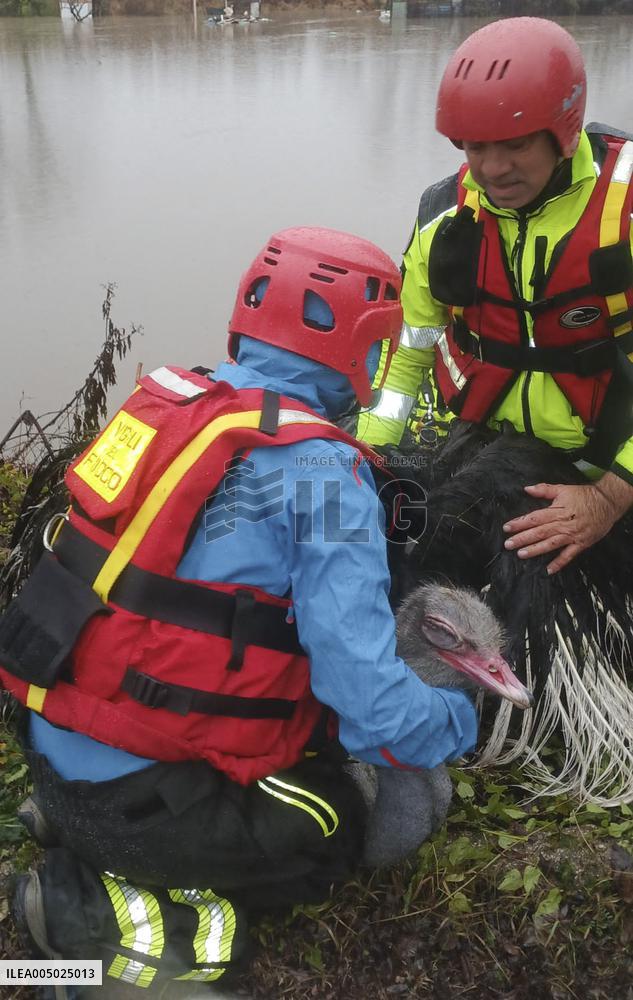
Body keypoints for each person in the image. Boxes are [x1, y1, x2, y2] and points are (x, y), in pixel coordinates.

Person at [0, 227, 478, 997]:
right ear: (367, 349)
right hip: (146, 803)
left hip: (52, 750)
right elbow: (371, 712)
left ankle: (78, 824)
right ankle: (82, 910)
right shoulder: (325, 474)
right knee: (336, 821)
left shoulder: (169, 407)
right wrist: (456, 722)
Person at [357, 17, 633, 576]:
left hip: (614, 462)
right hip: (492, 449)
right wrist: (367, 461)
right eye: (476, 147)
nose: (493, 169)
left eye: (515, 144)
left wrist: (609, 496)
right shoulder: (445, 218)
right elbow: (408, 355)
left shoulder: (623, 211)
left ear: (563, 130)